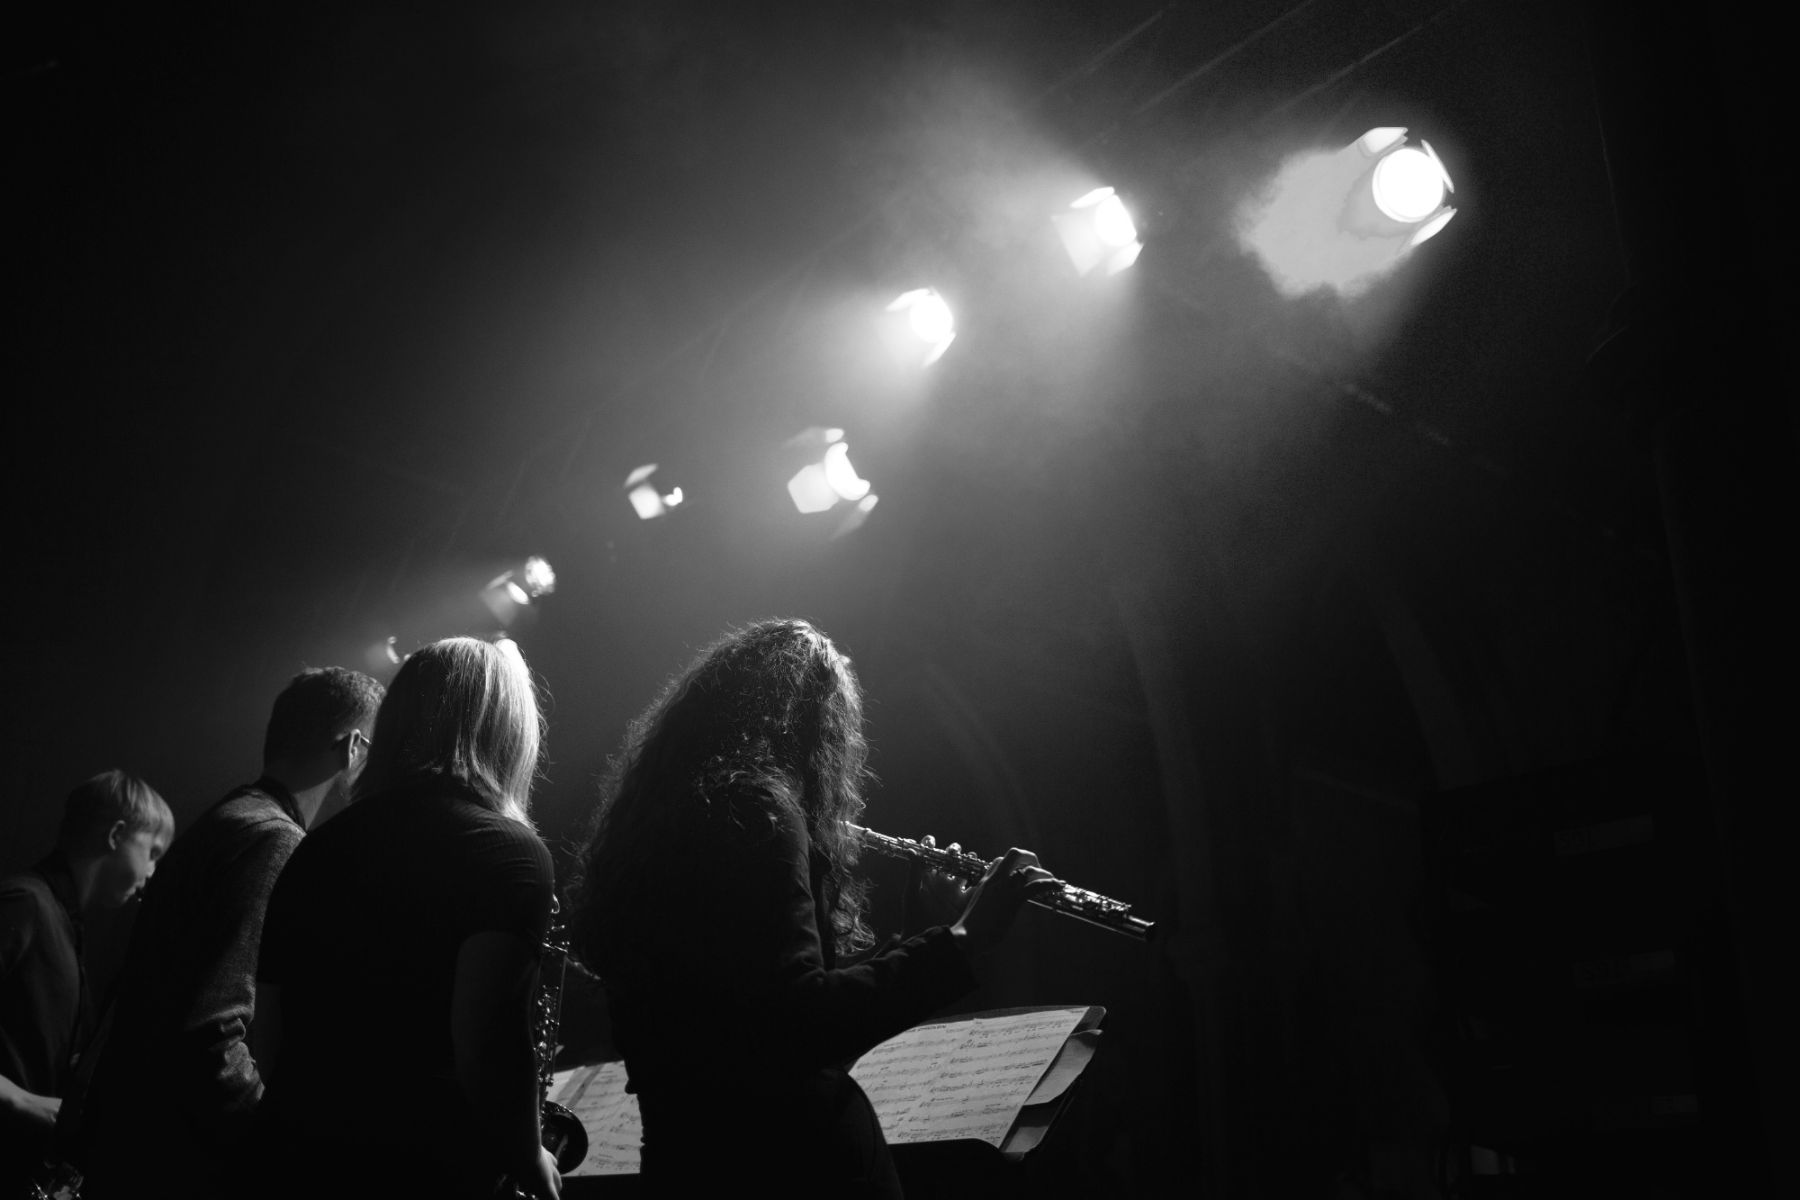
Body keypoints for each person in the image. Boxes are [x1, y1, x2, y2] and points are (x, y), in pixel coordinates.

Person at [569, 618, 1059, 1198]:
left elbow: (754, 1014)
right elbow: (799, 1024)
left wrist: (924, 934)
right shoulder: (758, 811)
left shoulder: (654, 833)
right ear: (811, 728)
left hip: (685, 1163)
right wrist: (965, 937)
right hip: (795, 1169)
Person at [255, 637, 562, 1200]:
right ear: (507, 730)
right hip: (431, 1167)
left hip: (298, 1157)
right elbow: (487, 1046)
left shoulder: (316, 848)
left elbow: (268, 1029)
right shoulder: (510, 852)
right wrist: (529, 1155)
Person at [75, 666, 385, 1198]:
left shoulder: (228, 816)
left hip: (129, 1148)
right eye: (376, 750)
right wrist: (276, 1149)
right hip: (176, 1165)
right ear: (354, 747)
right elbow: (212, 1029)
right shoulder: (272, 839)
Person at [0, 770, 173, 1191]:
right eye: (152, 851)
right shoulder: (26, 903)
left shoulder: (58, 920)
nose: (152, 872)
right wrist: (21, 1101)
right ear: (116, 834)